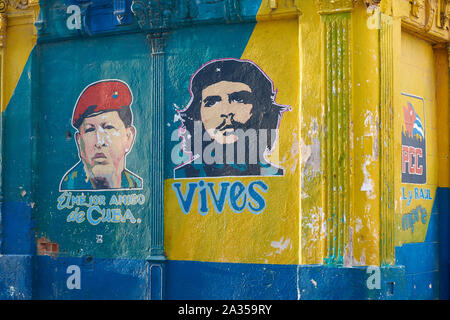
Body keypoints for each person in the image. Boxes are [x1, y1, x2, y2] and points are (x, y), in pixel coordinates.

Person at [174, 58, 288, 178]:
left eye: (239, 99)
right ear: (197, 115)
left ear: (262, 109)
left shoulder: (276, 176)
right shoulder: (180, 176)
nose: (226, 111)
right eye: (212, 102)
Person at [60, 79, 143, 190]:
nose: (99, 142)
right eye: (90, 130)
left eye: (108, 127)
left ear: (128, 137)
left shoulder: (137, 186)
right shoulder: (69, 187)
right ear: (79, 142)